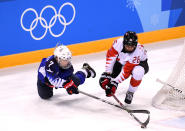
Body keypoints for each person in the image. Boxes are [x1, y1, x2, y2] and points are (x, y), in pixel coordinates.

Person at [99, 31, 149, 104]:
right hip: (124, 60)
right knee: (111, 77)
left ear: (135, 45)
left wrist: (115, 82)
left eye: (131, 46)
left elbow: (126, 72)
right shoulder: (118, 43)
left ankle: (130, 92)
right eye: (127, 45)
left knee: (138, 72)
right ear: (123, 43)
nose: (129, 48)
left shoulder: (137, 52)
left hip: (140, 63)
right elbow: (111, 57)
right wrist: (108, 74)